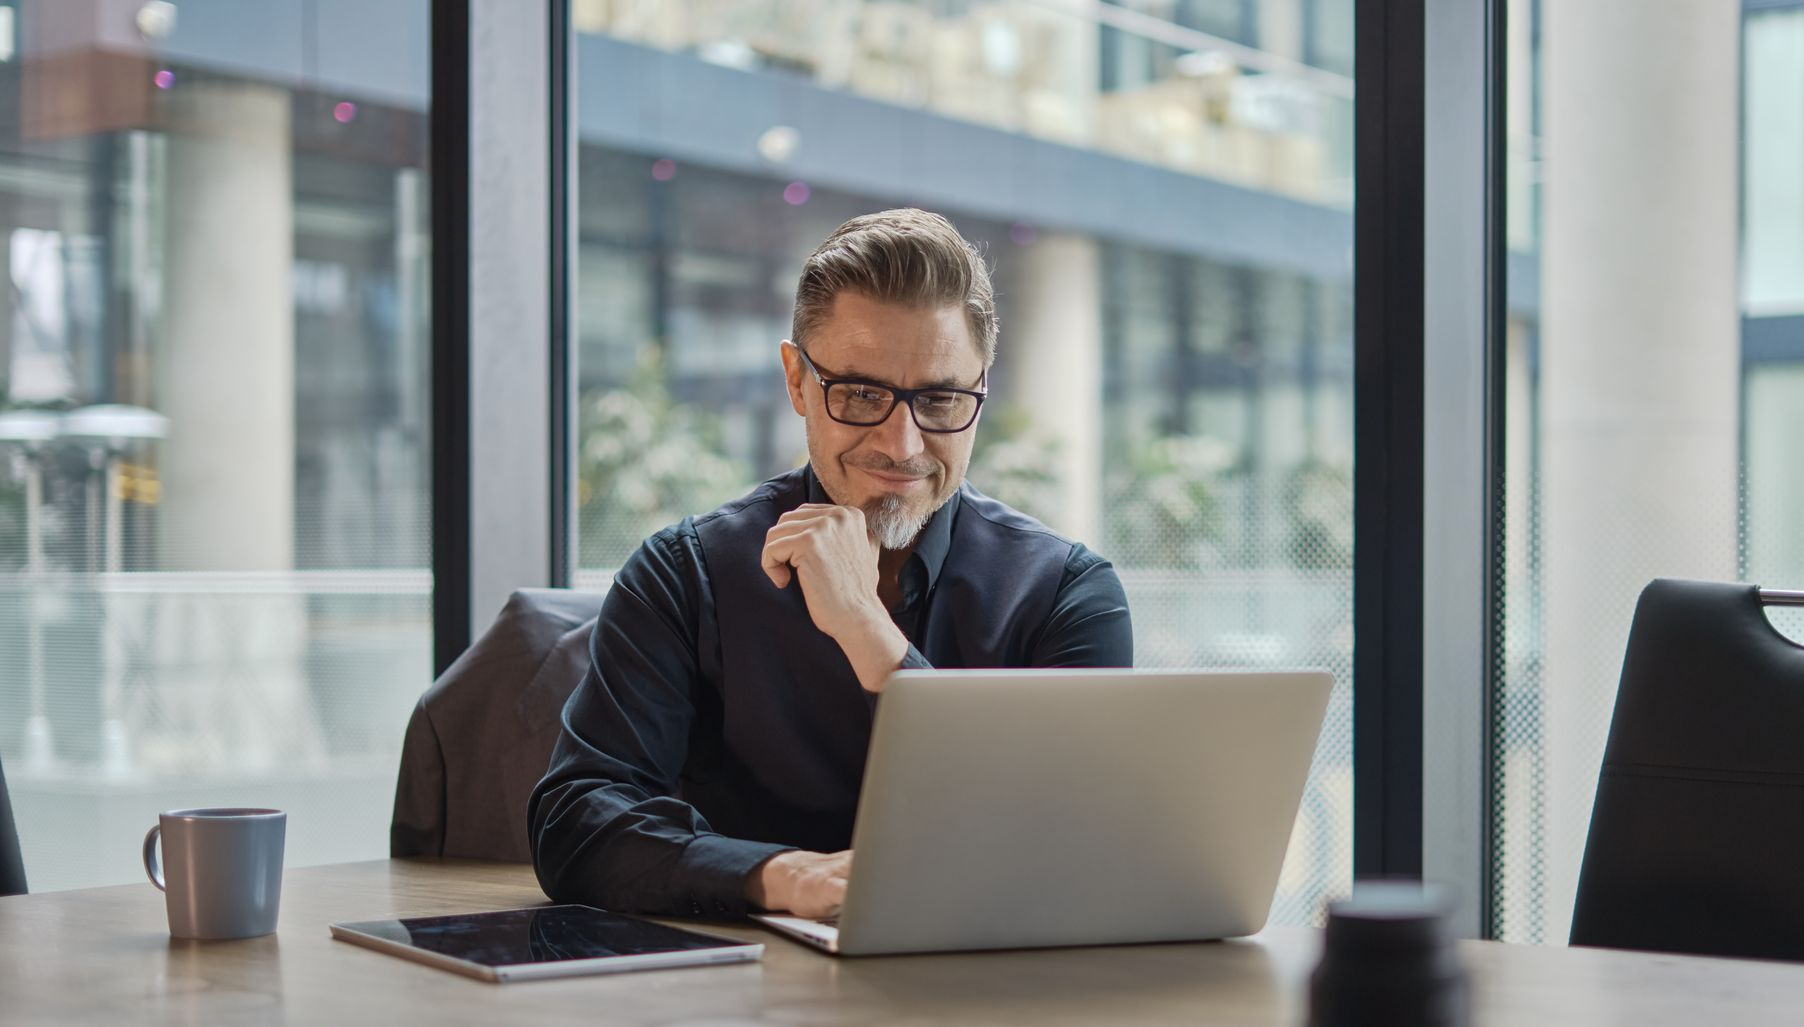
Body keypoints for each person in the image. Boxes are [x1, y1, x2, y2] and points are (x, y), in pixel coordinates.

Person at [529, 208, 1133, 921]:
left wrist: (866, 630)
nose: (903, 443)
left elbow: (1068, 843)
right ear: (797, 381)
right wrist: (781, 877)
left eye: (940, 398)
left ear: (981, 391)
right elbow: (575, 822)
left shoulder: (1069, 595)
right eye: (860, 394)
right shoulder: (685, 574)